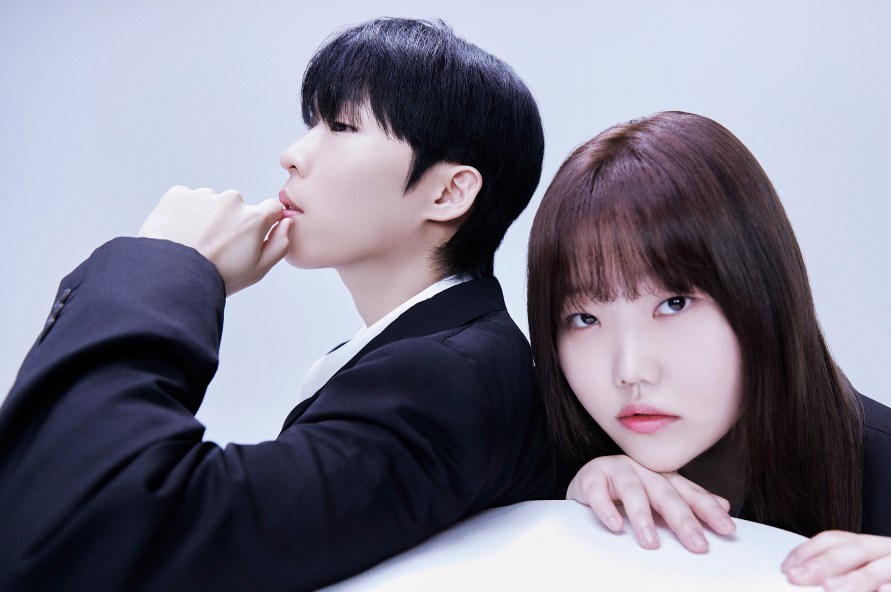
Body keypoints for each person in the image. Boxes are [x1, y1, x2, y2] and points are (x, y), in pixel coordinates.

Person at [0, 18, 558, 591]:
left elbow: (90, 527)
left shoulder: (445, 380)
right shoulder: (446, 362)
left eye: (342, 126)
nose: (292, 155)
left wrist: (168, 264)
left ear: (447, 192)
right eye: (311, 123)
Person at [526, 111, 891, 591]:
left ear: (764, 295)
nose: (630, 369)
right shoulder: (534, 478)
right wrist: (565, 519)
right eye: (584, 318)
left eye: (674, 303)